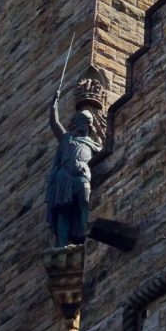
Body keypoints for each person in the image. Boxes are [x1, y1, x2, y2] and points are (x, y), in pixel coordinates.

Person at [46, 90, 102, 247]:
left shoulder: (95, 145)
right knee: (63, 210)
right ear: (77, 123)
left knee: (85, 202)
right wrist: (54, 104)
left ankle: (86, 239)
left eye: (87, 122)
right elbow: (54, 124)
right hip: (64, 177)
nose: (85, 124)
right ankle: (63, 246)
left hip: (82, 175)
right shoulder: (67, 139)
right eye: (82, 121)